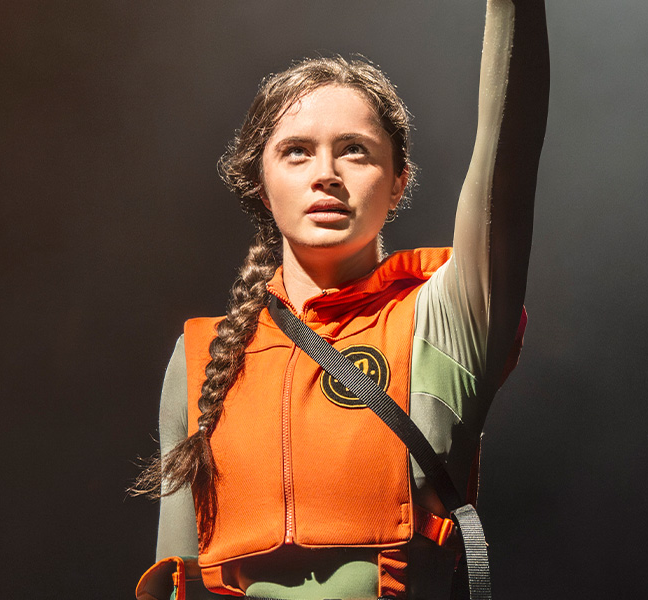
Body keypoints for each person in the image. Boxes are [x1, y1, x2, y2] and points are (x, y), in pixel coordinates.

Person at [133, 1, 549, 598]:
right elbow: (176, 579)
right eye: (296, 151)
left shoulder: (444, 318)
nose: (325, 172)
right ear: (260, 180)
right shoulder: (200, 357)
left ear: (399, 178)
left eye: (354, 149)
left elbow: (508, 146)